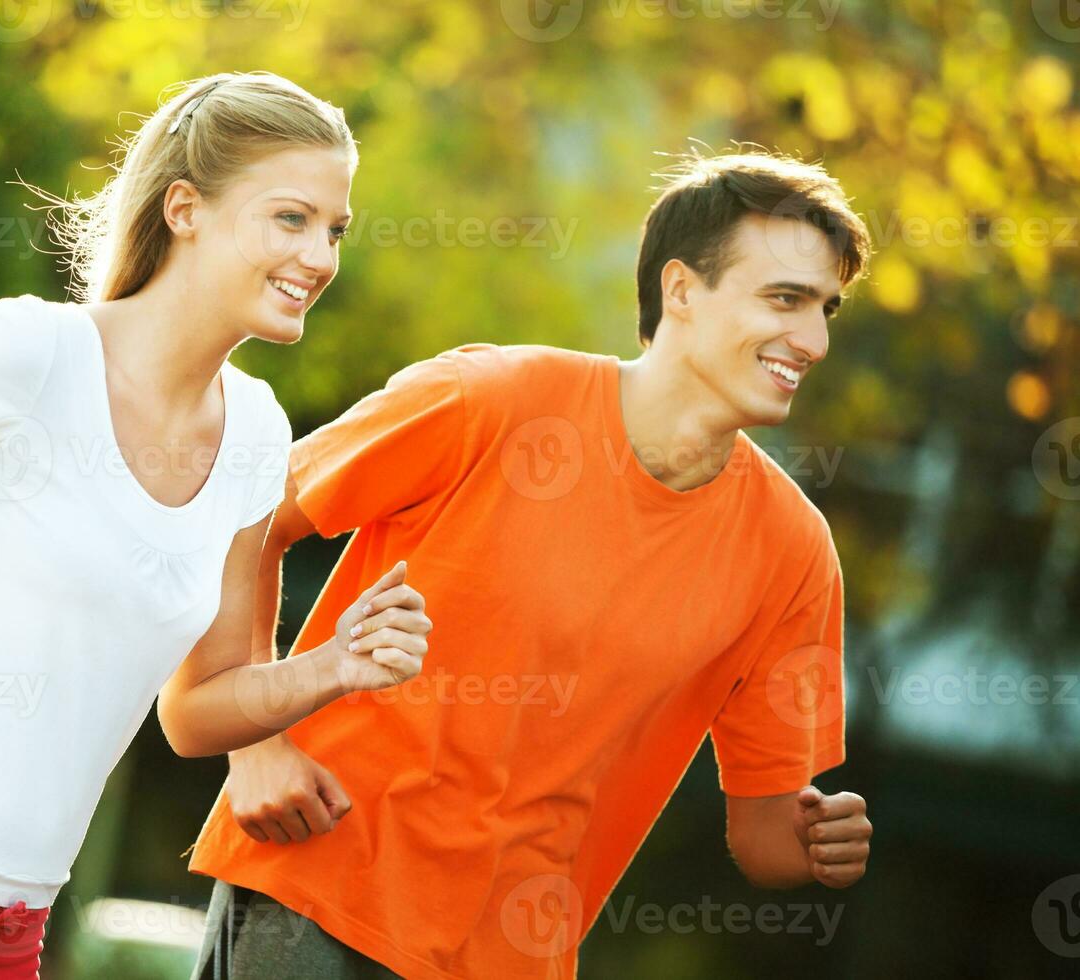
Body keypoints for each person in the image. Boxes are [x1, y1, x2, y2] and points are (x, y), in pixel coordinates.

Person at [0, 71, 431, 979]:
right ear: (185, 209)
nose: (321, 257)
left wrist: (330, 669)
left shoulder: (257, 434)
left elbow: (200, 707)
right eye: (291, 218)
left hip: (10, 934)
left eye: (335, 230)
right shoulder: (35, 356)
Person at [188, 149, 876, 979]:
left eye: (826, 308)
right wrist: (255, 744)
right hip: (315, 887)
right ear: (682, 291)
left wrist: (815, 841)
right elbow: (246, 518)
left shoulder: (793, 552)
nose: (814, 338)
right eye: (786, 299)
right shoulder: (492, 398)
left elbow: (762, 835)